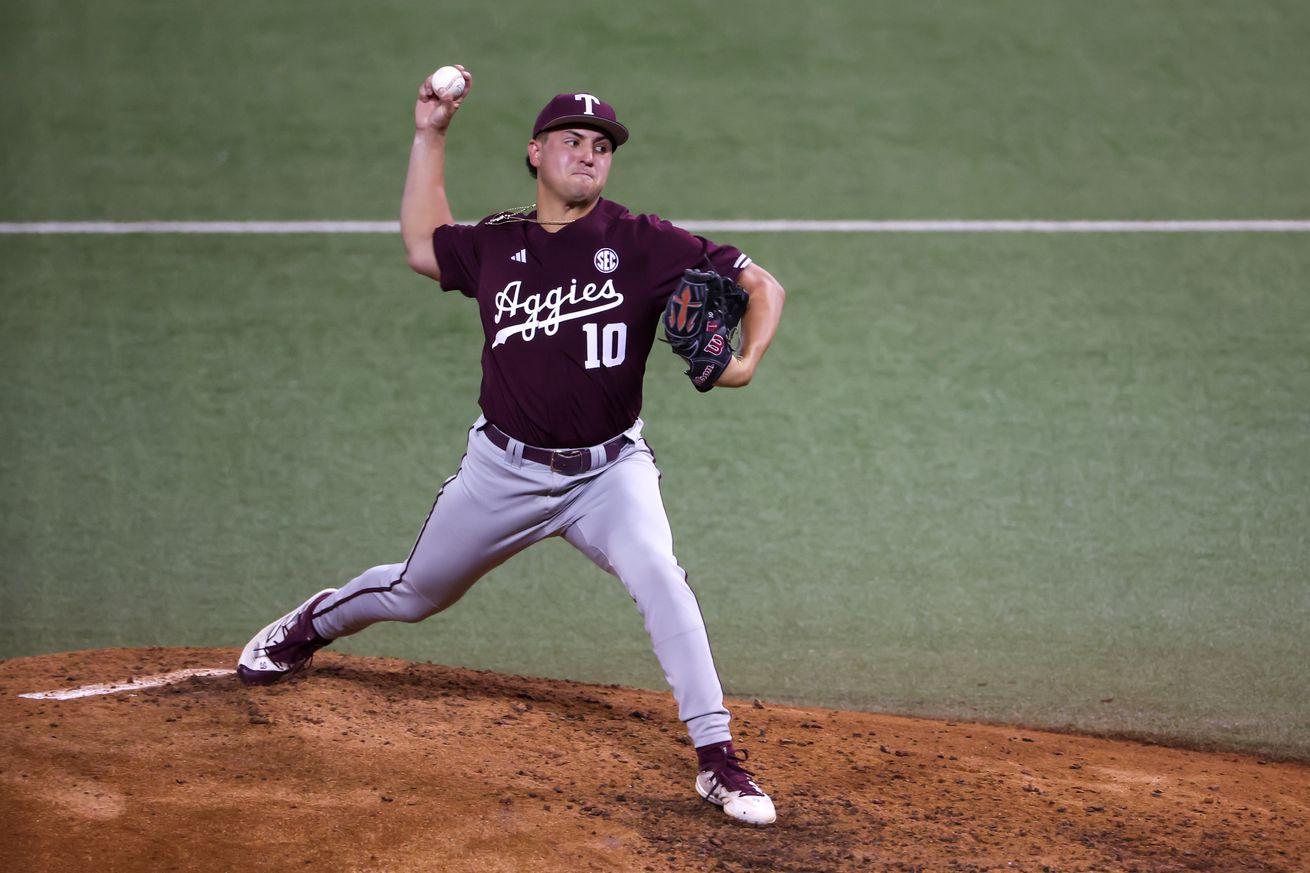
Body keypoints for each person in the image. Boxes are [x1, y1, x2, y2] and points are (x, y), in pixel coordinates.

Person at [236, 66, 786, 826]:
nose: (588, 155)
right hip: (503, 471)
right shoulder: (500, 243)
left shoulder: (646, 241)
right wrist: (431, 133)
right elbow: (425, 247)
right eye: (571, 141)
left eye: (601, 146)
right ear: (536, 153)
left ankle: (718, 759)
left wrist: (747, 360)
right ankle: (313, 621)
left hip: (610, 472)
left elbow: (765, 285)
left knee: (662, 575)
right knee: (415, 593)